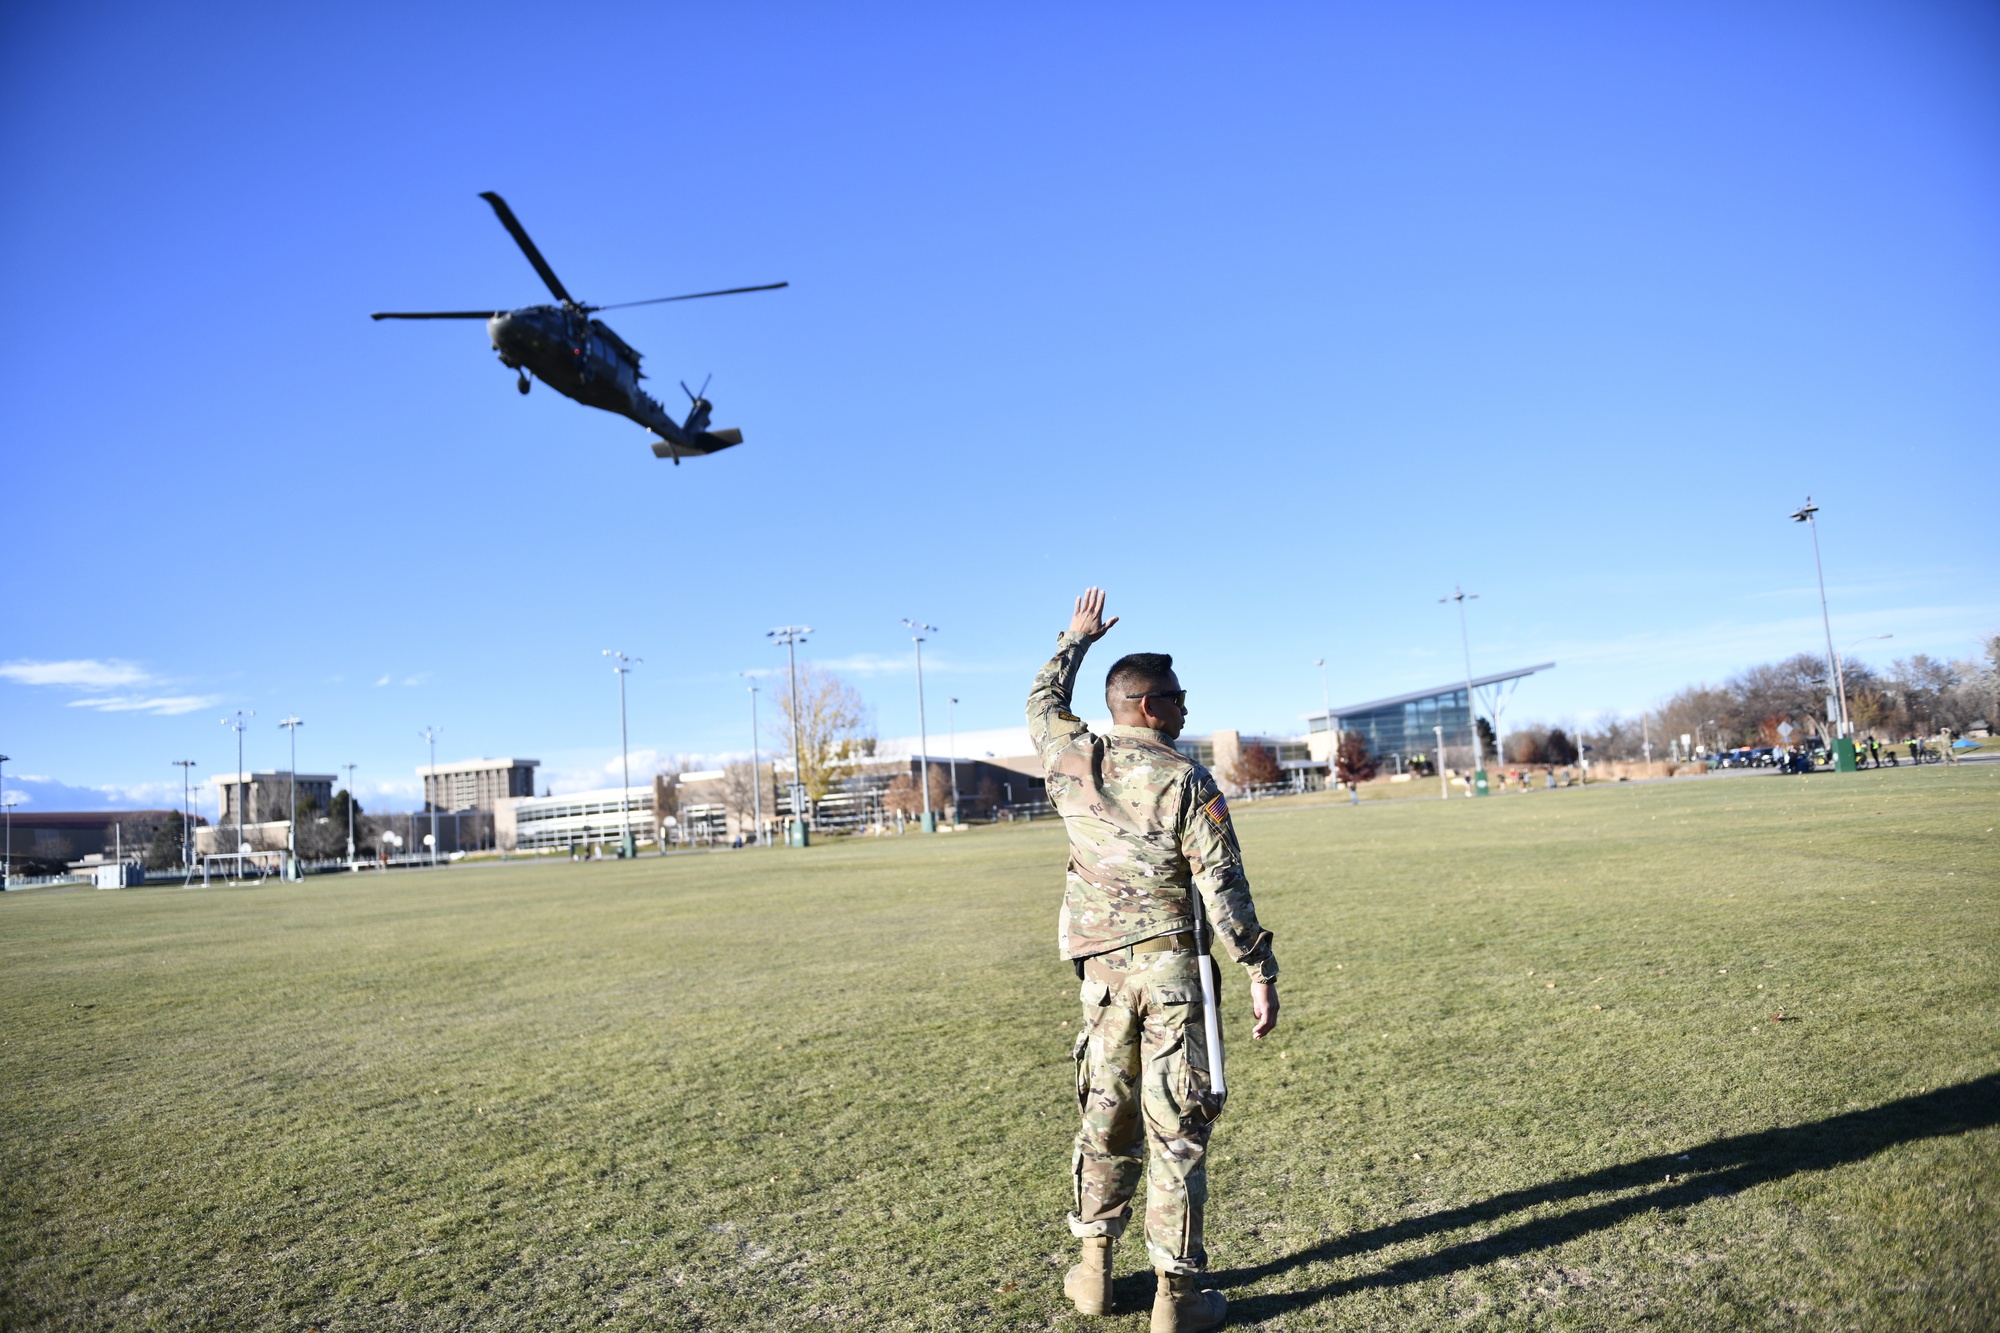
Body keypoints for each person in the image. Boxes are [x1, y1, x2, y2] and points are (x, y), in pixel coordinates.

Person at [1028, 588, 1279, 1333]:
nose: (1185, 708)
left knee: (1104, 1117)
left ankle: (1094, 1272)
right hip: (1175, 976)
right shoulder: (1186, 780)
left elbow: (1042, 698)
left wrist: (1073, 639)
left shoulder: (1069, 758)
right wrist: (1259, 969)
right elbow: (1224, 888)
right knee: (1177, 1129)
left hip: (1103, 981)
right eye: (1176, 697)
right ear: (1145, 706)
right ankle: (1177, 1296)